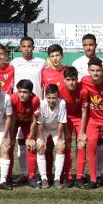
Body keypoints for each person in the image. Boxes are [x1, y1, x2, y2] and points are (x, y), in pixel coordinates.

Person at [79, 57, 103, 189]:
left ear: (102, 71)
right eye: (92, 70)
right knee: (91, 146)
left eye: (98, 70)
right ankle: (93, 179)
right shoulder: (84, 81)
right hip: (93, 119)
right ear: (88, 71)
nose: (95, 73)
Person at [41, 44, 66, 182]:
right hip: (47, 113)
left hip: (63, 113)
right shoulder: (44, 71)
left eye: (57, 55)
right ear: (49, 58)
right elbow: (41, 90)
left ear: (62, 55)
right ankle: (46, 176)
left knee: (63, 146)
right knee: (46, 147)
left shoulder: (67, 70)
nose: (55, 59)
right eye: (52, 56)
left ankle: (61, 176)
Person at [36, 84, 67, 189]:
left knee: (61, 147)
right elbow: (39, 124)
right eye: (49, 98)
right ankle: (44, 178)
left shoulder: (62, 103)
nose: (52, 100)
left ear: (58, 96)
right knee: (40, 148)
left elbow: (61, 122)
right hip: (44, 128)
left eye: (54, 97)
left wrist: (59, 139)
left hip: (56, 129)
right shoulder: (42, 104)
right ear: (45, 96)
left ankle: (57, 179)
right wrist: (41, 139)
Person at [11, 79, 40, 188]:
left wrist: (31, 137)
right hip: (16, 121)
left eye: (25, 92)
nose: (22, 95)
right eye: (20, 92)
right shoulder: (13, 99)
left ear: (31, 93)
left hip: (28, 122)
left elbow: (34, 120)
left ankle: (31, 177)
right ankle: (9, 176)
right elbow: (11, 119)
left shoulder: (35, 100)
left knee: (31, 146)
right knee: (10, 145)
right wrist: (11, 136)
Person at [59, 66, 83, 188]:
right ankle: (67, 176)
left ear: (77, 79)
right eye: (68, 79)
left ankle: (79, 177)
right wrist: (66, 131)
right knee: (66, 146)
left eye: (74, 79)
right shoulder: (60, 91)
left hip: (79, 118)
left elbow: (85, 111)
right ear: (64, 80)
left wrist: (83, 131)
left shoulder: (82, 90)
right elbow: (61, 113)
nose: (71, 82)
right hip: (66, 118)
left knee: (81, 145)